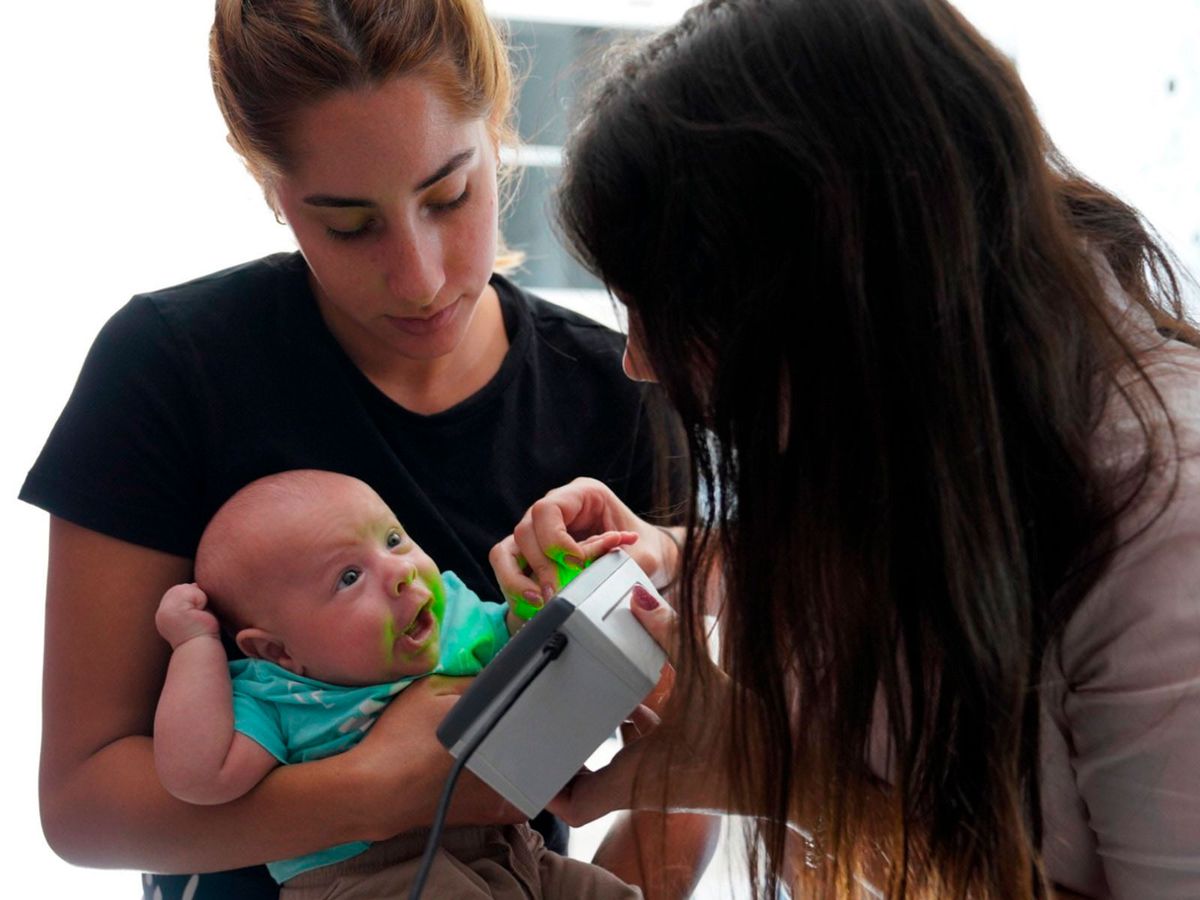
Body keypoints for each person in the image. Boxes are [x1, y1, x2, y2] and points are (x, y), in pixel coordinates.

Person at [489, 0, 1200, 897]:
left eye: (668, 313)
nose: (635, 359)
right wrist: (676, 556)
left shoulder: (1167, 530)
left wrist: (759, 763)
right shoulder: (936, 422)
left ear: (824, 299)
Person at [20, 2, 716, 898]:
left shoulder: (615, 390)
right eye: (350, 224)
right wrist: (381, 789)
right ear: (271, 189)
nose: (419, 277)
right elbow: (82, 805)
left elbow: (684, 759)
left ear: (497, 137)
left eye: (448, 195)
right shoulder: (170, 369)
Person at [154, 468, 640, 898]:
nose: (402, 572)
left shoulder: (453, 621)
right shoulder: (279, 694)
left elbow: (528, 652)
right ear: (279, 651)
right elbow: (203, 778)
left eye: (392, 540)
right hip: (370, 877)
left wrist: (546, 597)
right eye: (348, 577)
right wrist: (194, 648)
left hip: (511, 849)